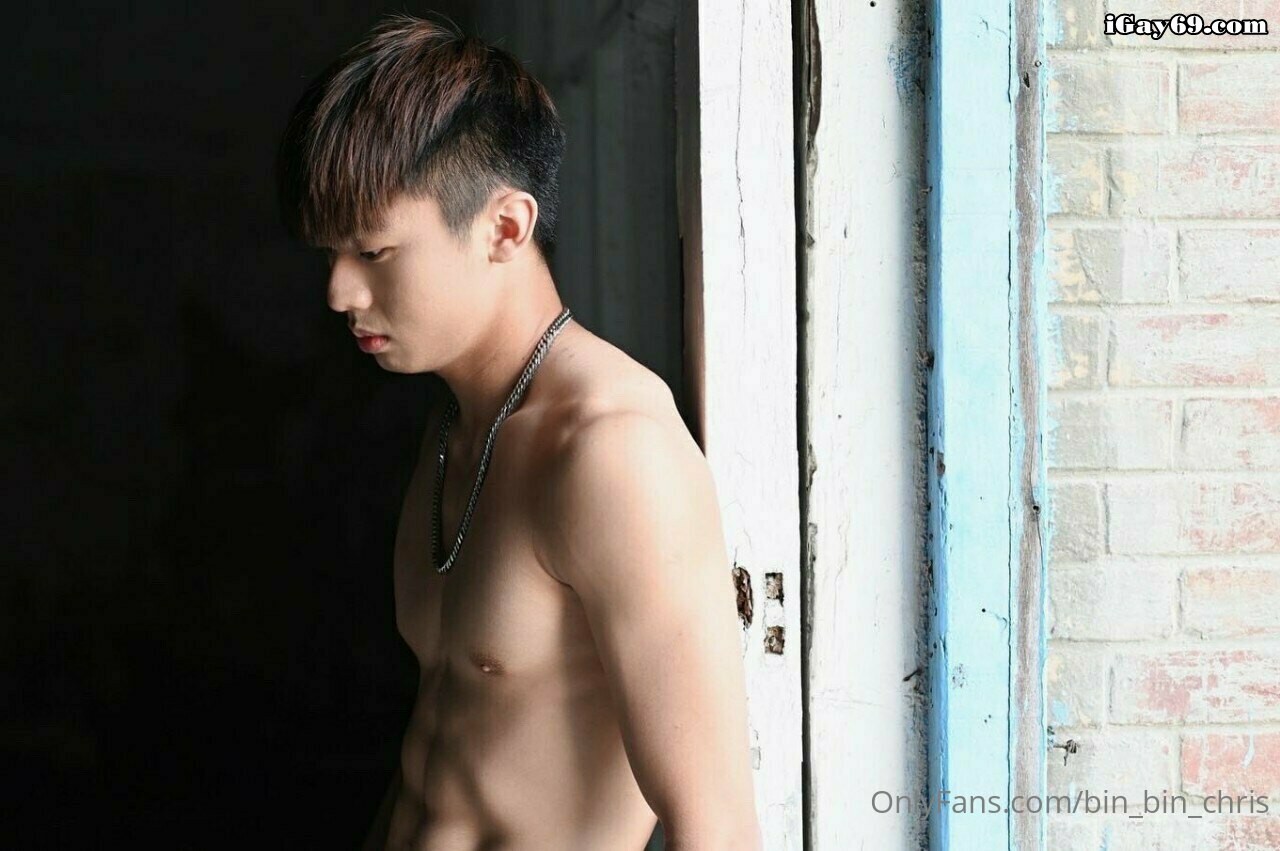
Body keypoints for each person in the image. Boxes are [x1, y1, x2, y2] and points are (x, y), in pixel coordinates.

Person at [275, 13, 761, 851]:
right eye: (331, 256)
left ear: (504, 227)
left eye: (374, 252)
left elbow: (715, 826)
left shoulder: (610, 450)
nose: (339, 293)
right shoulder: (456, 426)